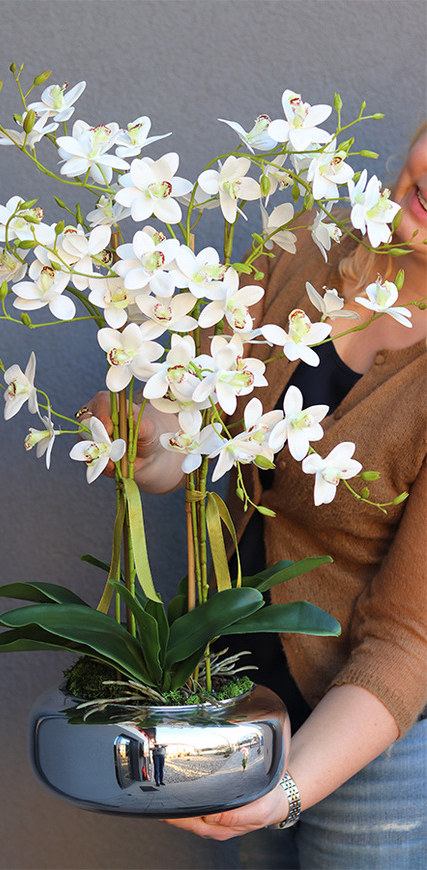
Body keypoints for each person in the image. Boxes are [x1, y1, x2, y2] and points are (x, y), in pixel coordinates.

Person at [80, 128, 427, 868]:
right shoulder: (304, 241)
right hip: (233, 694)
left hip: (374, 731)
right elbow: (187, 427)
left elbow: (407, 641)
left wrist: (285, 793)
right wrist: (139, 435)